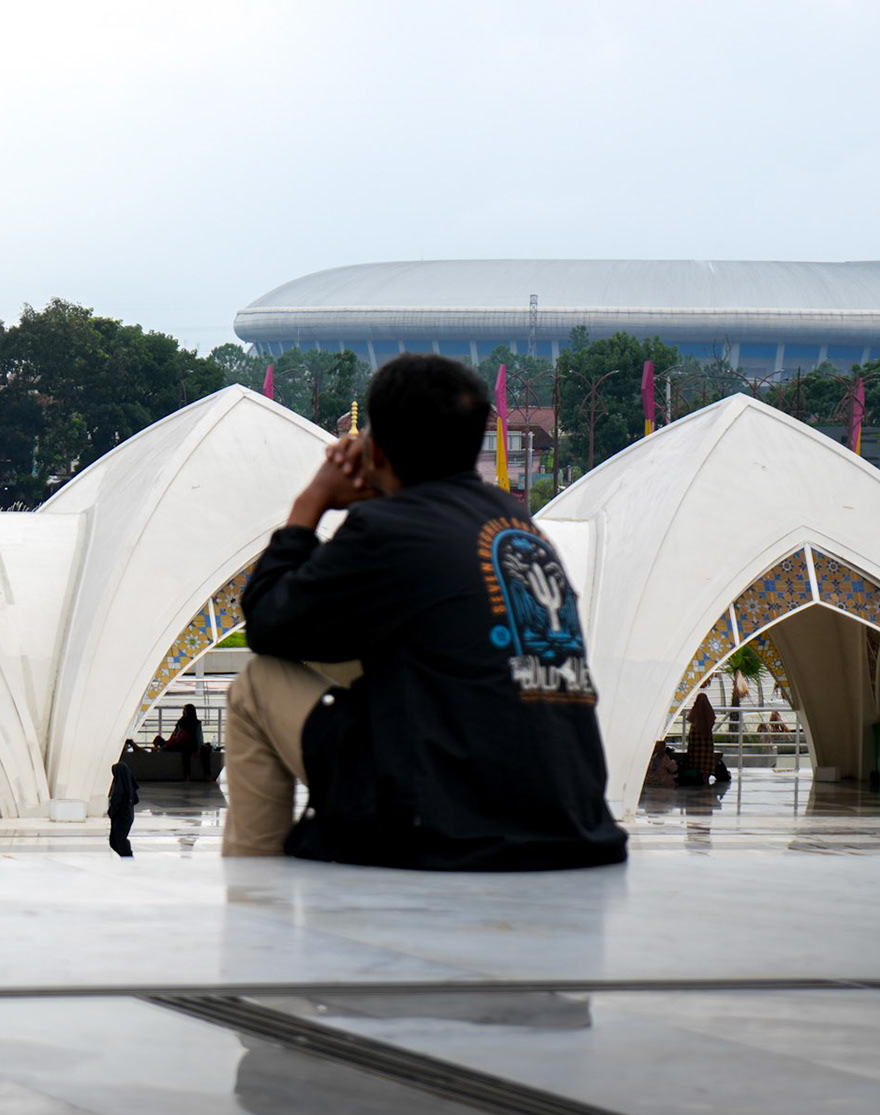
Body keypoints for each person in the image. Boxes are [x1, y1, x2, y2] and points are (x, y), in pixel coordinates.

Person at [224, 353, 626, 871]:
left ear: (380, 451)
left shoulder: (388, 528)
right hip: (572, 828)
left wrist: (312, 504)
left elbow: (269, 625)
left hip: (449, 829)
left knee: (257, 684)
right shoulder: (519, 525)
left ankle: (254, 894)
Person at [680, 692, 730, 786]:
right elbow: (711, 719)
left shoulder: (695, 719)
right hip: (706, 745)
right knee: (705, 761)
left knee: (696, 761)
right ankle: (705, 778)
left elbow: (691, 718)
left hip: (696, 747)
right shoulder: (708, 717)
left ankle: (698, 778)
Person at [107, 741, 140, 857]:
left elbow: (116, 803)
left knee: (118, 840)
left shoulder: (119, 789)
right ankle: (126, 856)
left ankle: (128, 858)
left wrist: (112, 812)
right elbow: (135, 800)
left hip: (121, 818)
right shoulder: (129, 787)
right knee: (116, 840)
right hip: (127, 816)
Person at [168, 703, 205, 781]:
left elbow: (199, 737)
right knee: (185, 753)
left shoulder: (196, 723)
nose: (183, 712)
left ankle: (206, 775)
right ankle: (187, 775)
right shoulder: (181, 722)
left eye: (184, 710)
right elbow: (175, 733)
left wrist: (199, 749)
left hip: (192, 744)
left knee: (205, 751)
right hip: (183, 744)